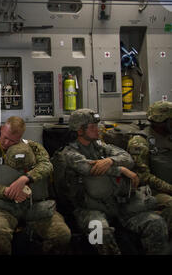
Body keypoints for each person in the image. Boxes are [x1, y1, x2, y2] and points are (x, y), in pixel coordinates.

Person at [59, 108, 168, 254]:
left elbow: (127, 158)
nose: (97, 129)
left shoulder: (101, 147)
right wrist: (121, 170)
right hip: (89, 209)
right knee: (98, 232)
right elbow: (88, 168)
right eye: (92, 127)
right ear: (80, 131)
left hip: (118, 203)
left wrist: (110, 160)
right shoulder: (69, 154)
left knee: (156, 223)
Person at [0, 116, 71, 255]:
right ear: (2, 129)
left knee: (61, 234)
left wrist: (25, 178)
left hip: (35, 205)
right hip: (3, 207)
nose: (6, 143)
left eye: (12, 141)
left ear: (21, 136)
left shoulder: (33, 147)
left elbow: (47, 165)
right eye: (5, 137)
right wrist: (7, 191)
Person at [127, 101, 172, 233]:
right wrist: (170, 188)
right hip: (153, 193)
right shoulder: (140, 142)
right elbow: (143, 176)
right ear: (162, 122)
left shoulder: (168, 137)